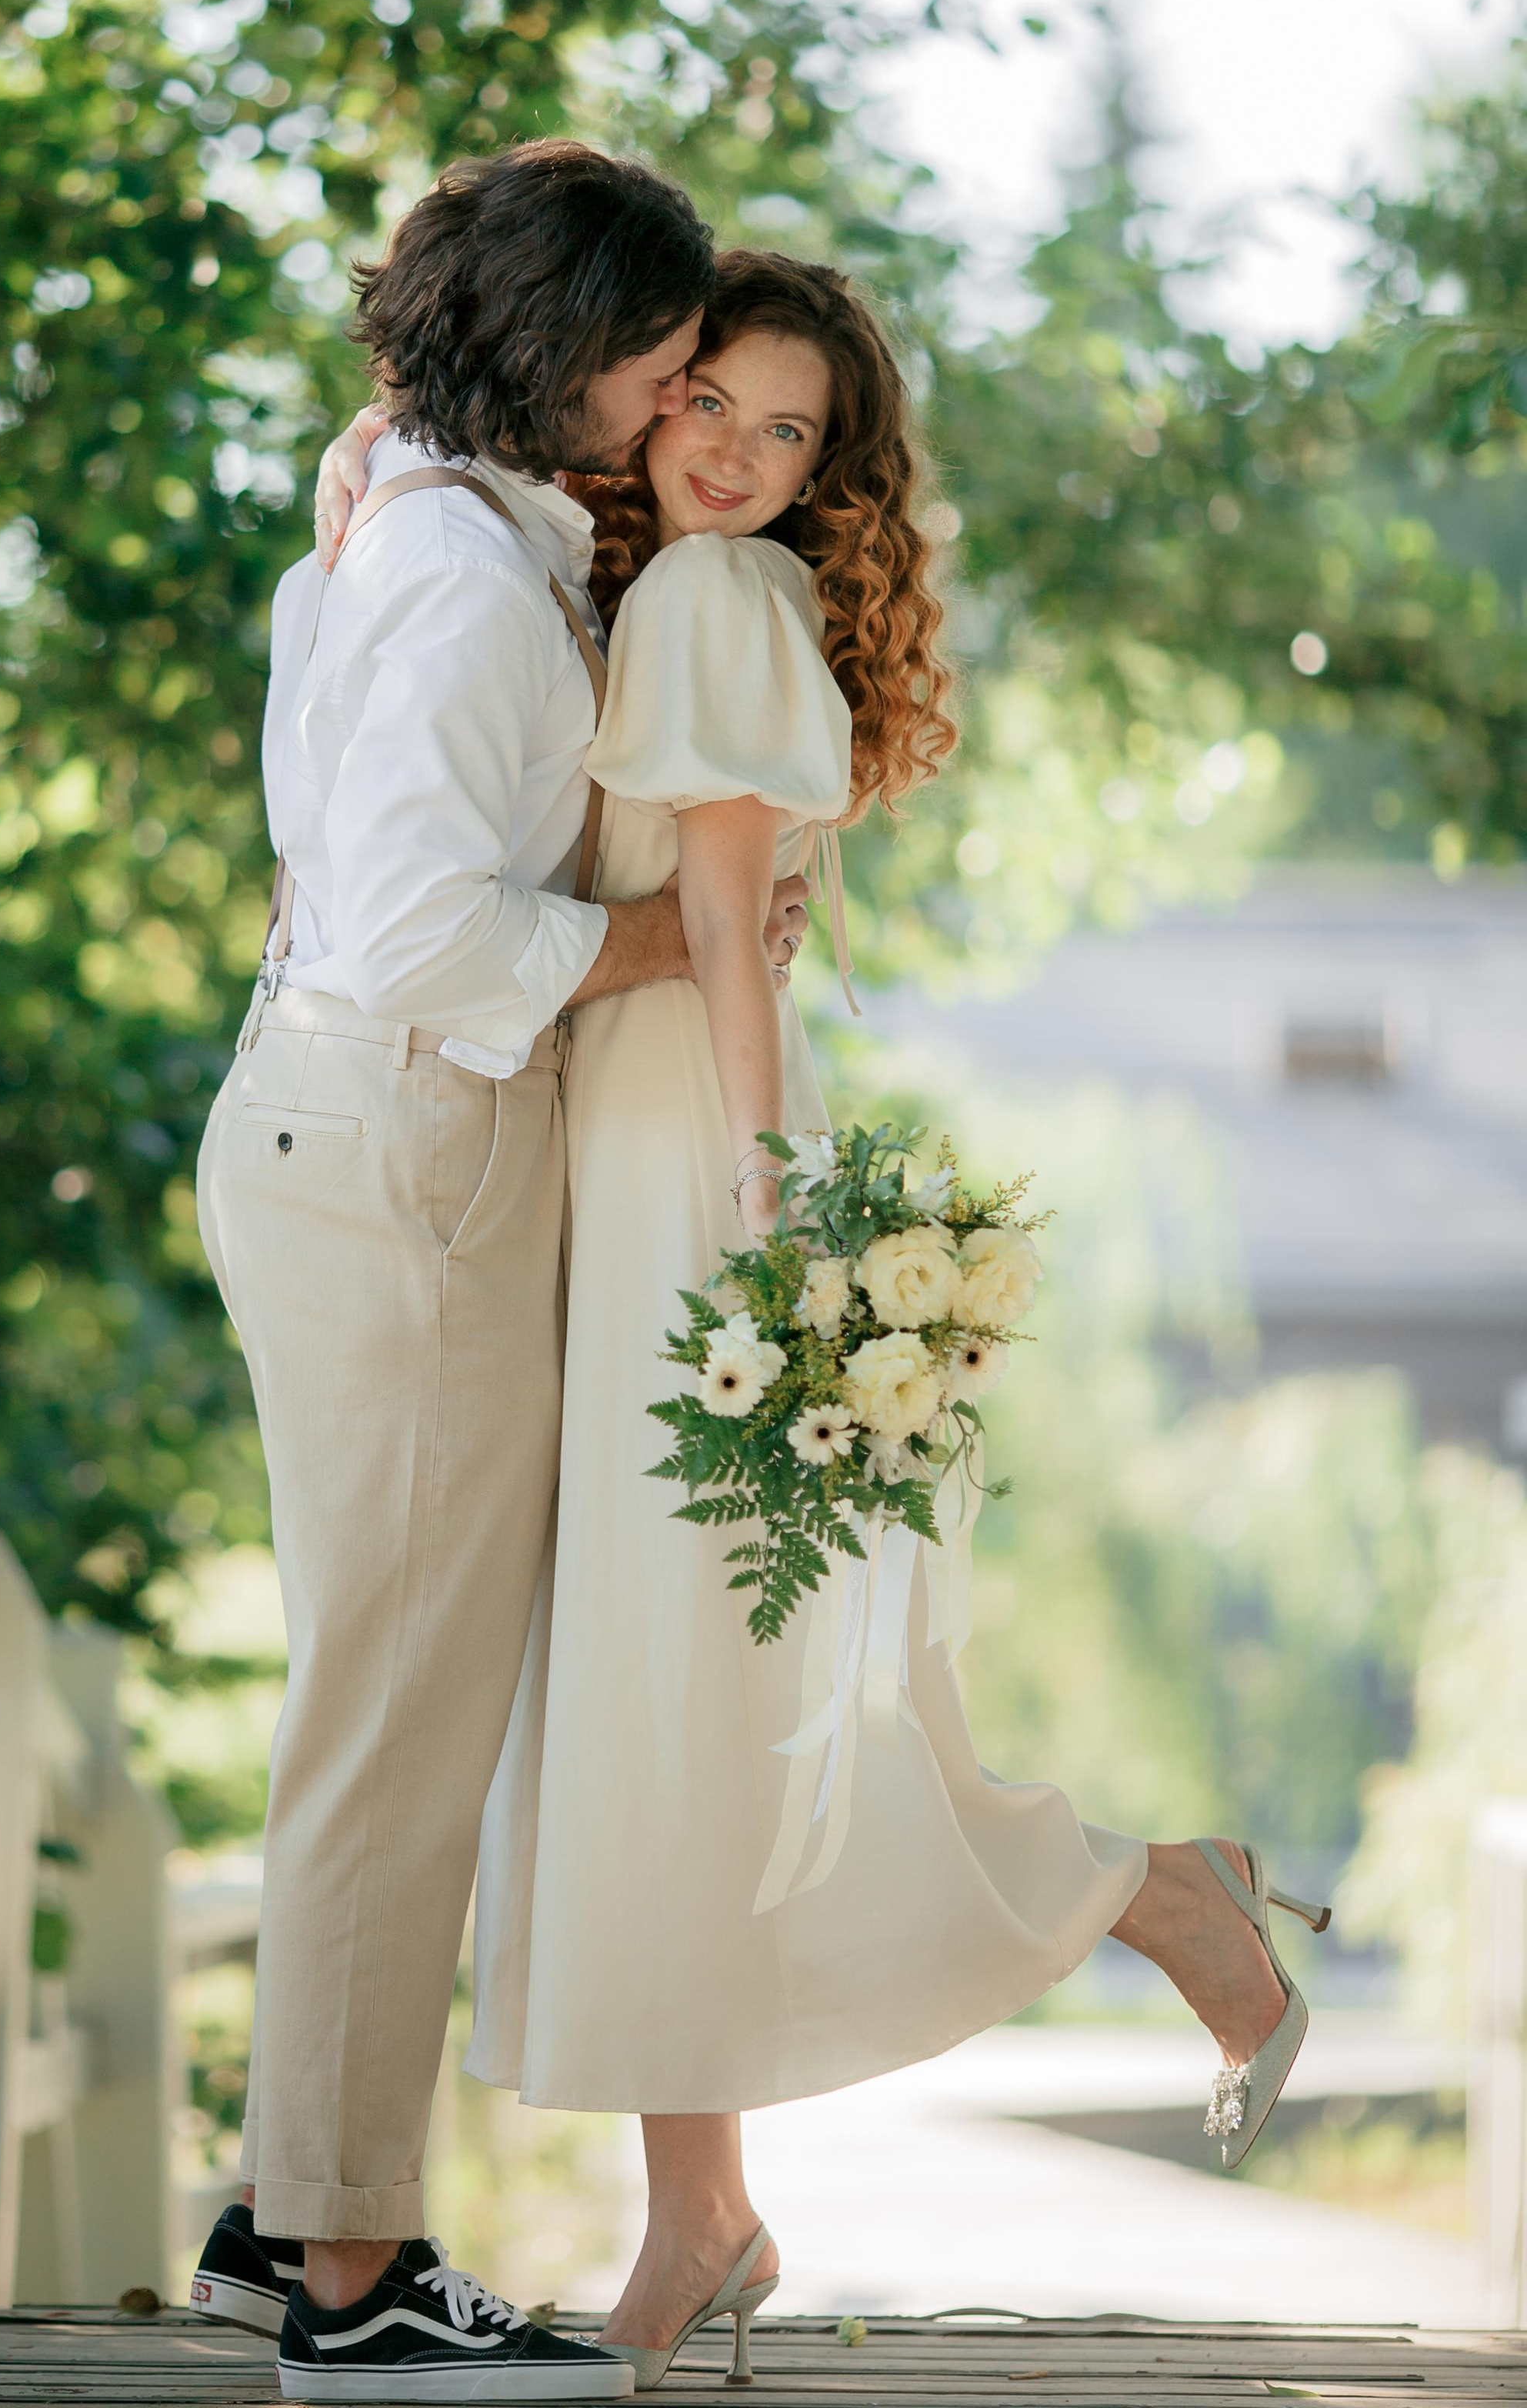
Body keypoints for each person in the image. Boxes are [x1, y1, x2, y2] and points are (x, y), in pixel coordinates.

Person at [307, 248, 1329, 2390]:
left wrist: (767, 1199)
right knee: (672, 1680)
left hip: (692, 1153)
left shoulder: (699, 603)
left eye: (791, 434)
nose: (742, 456)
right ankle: (704, 2202)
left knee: (700, 1663)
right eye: (713, 406)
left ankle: (1154, 1898)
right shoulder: (647, 586)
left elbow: (728, 940)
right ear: (645, 393)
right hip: (636, 1134)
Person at [188, 142, 812, 2403]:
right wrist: (674, 939)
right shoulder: (456, 570)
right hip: (408, 1136)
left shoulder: (420, 525)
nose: (676, 389)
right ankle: (349, 2273)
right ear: (567, 342)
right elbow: (415, 930)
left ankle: (301, 2211)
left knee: (381, 1692)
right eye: (659, 349)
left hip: (344, 1130)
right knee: (399, 1720)